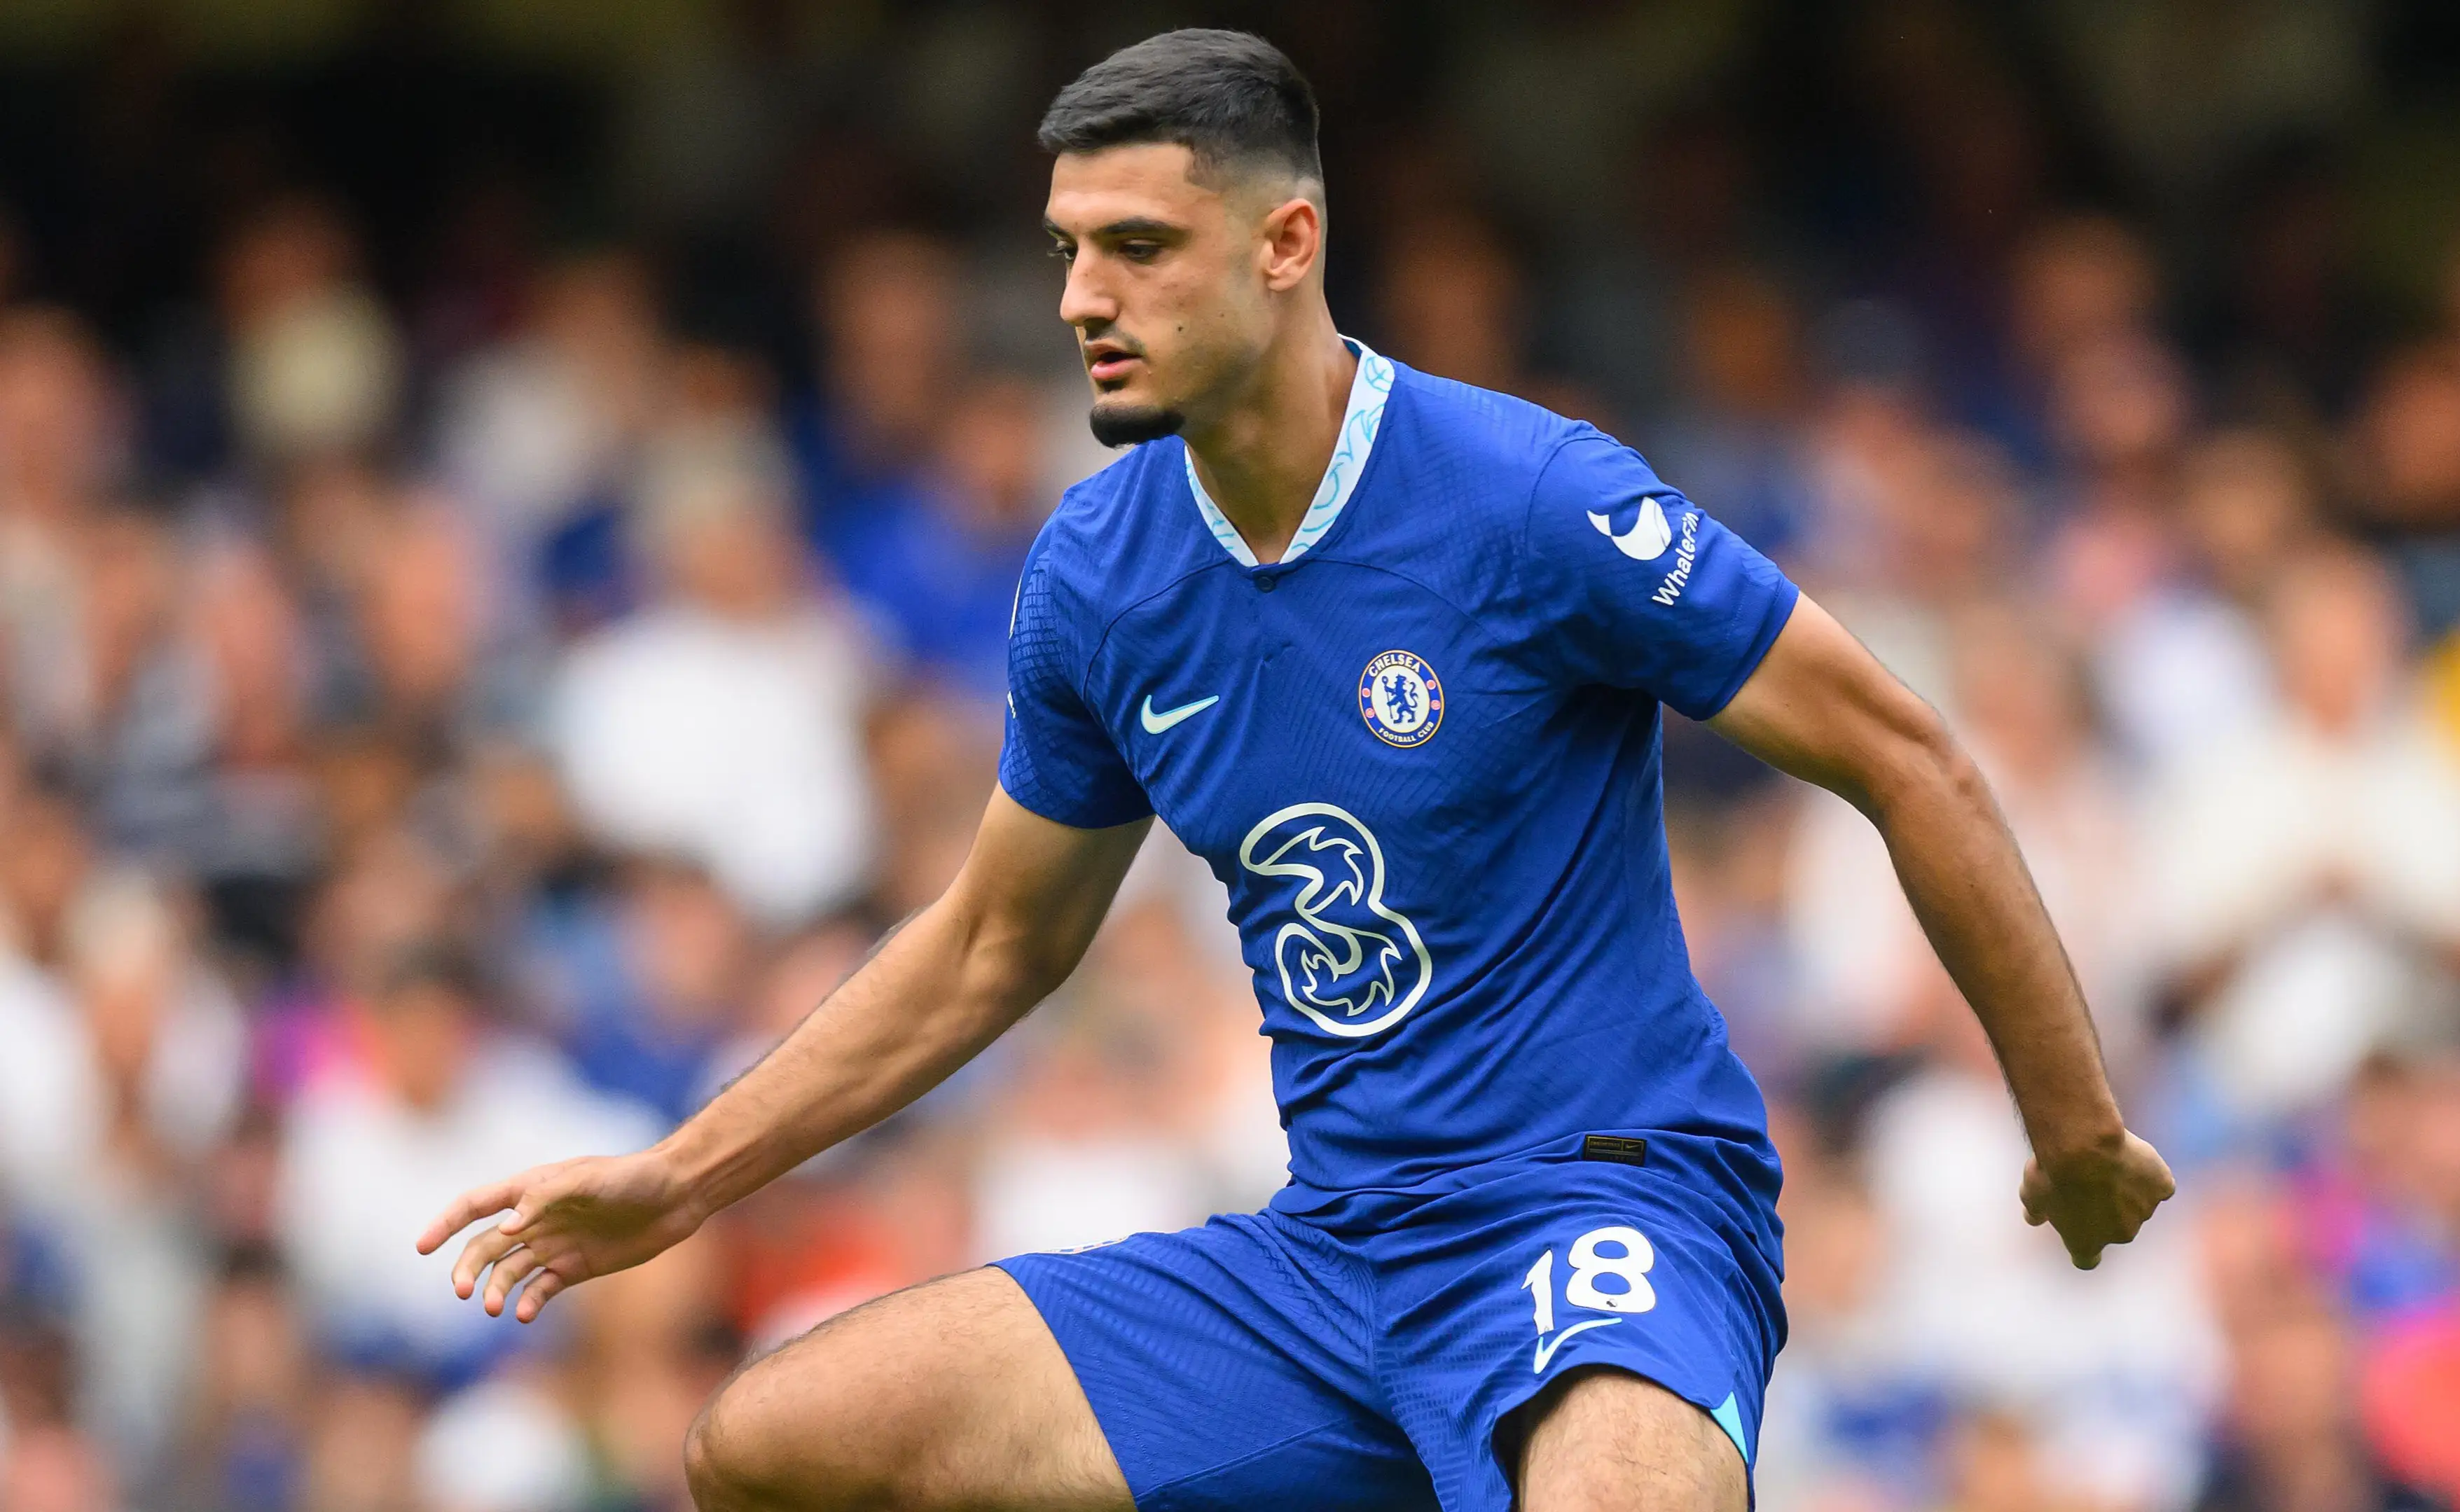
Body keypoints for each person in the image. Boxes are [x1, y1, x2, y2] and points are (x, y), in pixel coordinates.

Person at [415, 30, 2173, 1512]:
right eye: (1066, 250)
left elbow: (1911, 759)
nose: (1083, 299)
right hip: (1330, 1259)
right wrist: (676, 1176)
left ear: (1285, 244)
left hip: (1607, 1205)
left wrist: (2074, 1127)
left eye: (1139, 247)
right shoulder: (1101, 576)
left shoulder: (1529, 500)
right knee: (771, 1448)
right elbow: (987, 946)